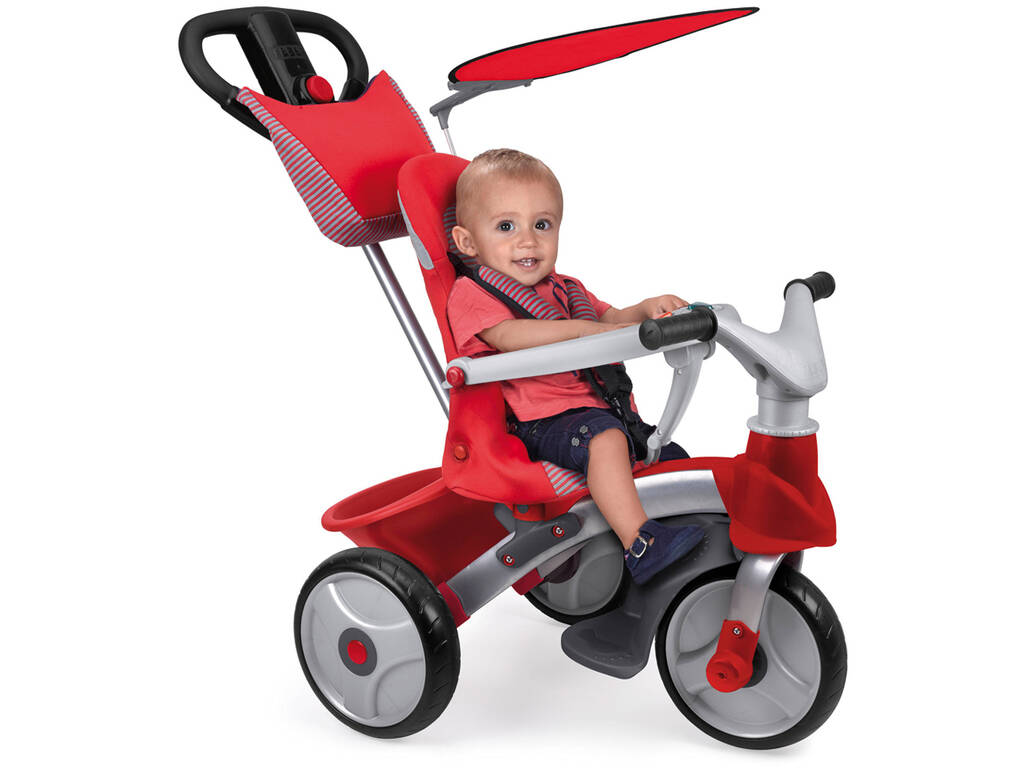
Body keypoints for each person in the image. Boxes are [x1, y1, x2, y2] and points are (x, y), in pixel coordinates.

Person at [447, 149, 703, 585]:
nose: (528, 241)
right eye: (506, 226)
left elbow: (610, 319)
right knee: (605, 441)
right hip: (540, 423)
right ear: (468, 243)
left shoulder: (566, 288)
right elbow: (508, 336)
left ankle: (696, 538)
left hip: (603, 413)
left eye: (542, 225)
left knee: (669, 456)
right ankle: (641, 545)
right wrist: (582, 333)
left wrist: (646, 310)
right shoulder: (472, 293)